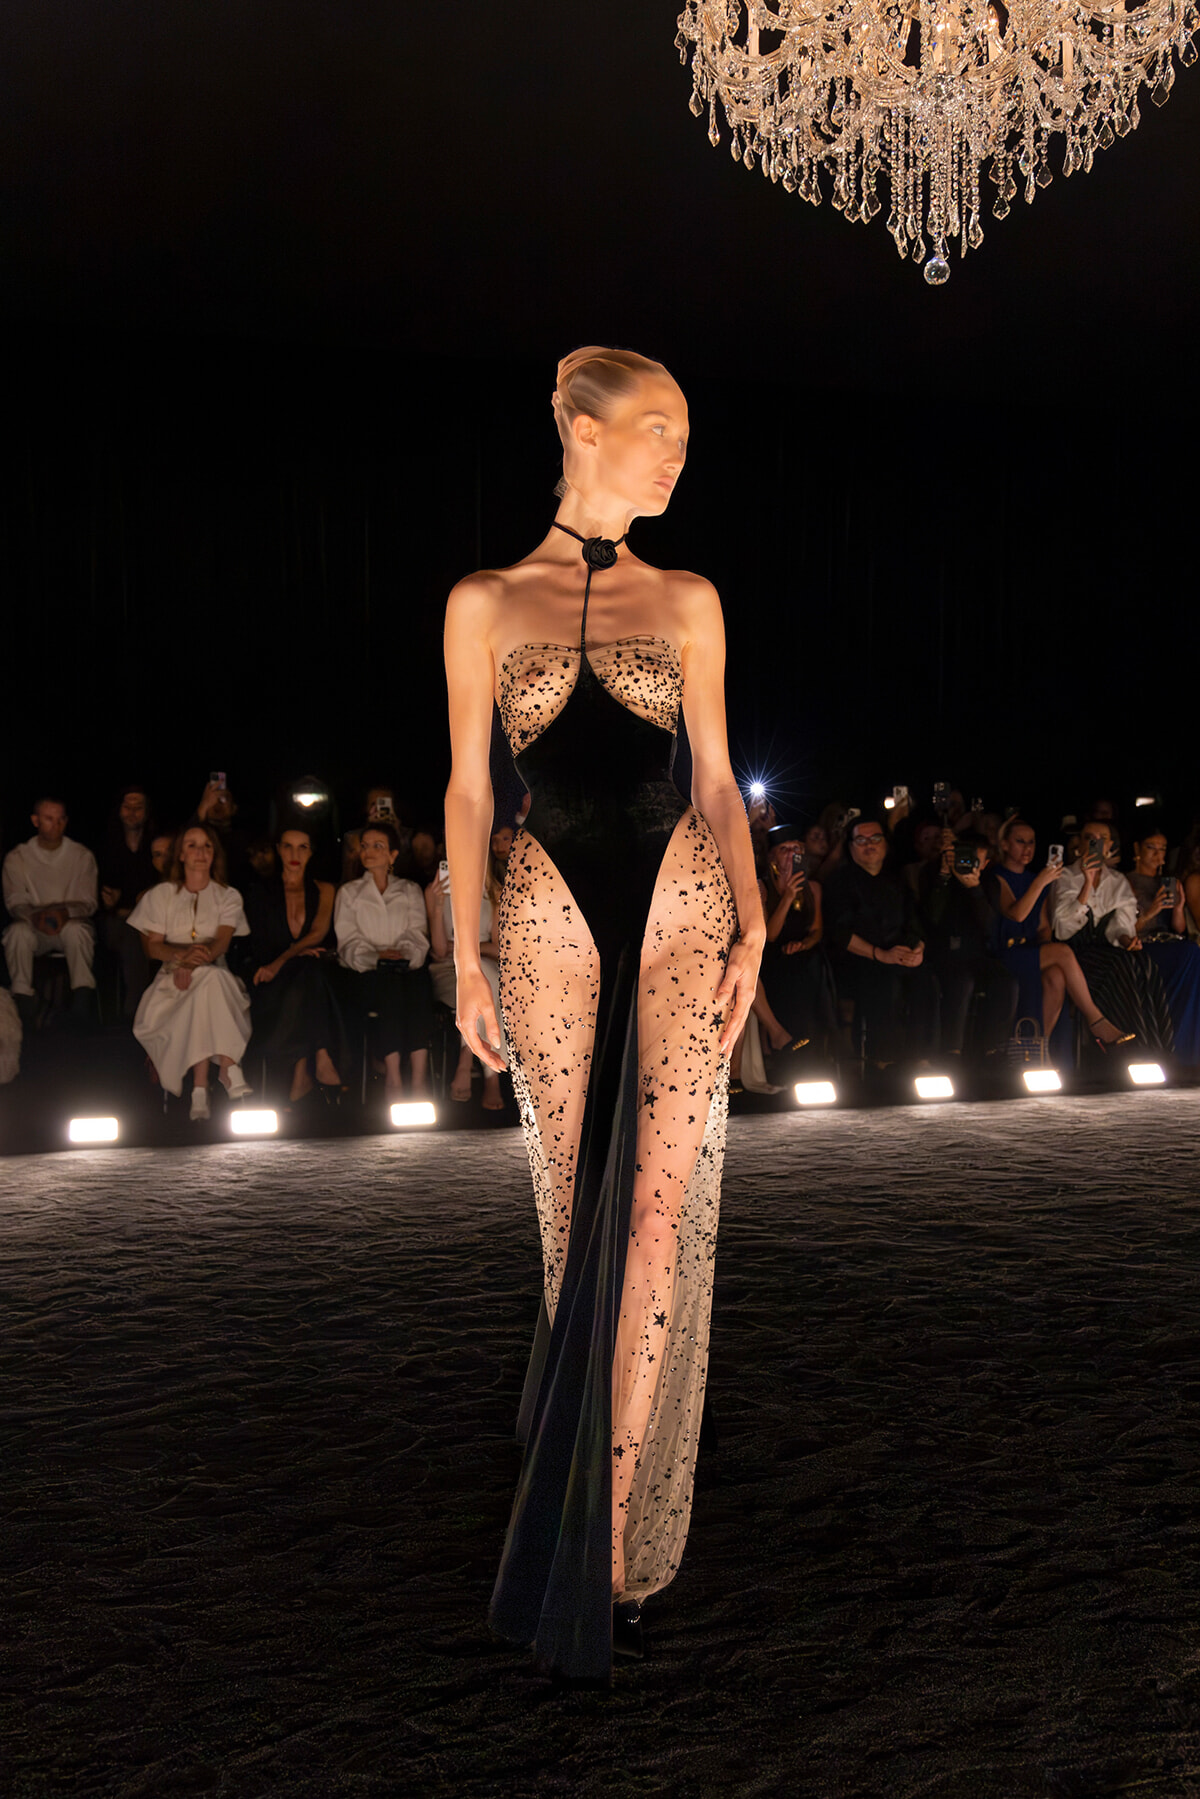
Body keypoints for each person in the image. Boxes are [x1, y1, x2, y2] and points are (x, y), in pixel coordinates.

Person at [443, 345, 760, 1680]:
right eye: (657, 428)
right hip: (543, 922)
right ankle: (584, 1494)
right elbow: (466, 788)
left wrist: (751, 915)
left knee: (654, 1229)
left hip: (684, 911)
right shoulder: (482, 600)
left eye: (685, 435)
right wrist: (462, 954)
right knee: (578, 1231)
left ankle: (613, 1546)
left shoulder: (688, 596)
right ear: (578, 424)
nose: (677, 454)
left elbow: (723, 780)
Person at [126, 823, 253, 1118]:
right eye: (193, 845)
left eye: (207, 846)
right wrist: (180, 960)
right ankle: (228, 1066)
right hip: (172, 982)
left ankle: (200, 1086)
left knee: (211, 980)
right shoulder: (161, 895)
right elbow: (152, 947)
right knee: (210, 982)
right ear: (181, 854)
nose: (201, 852)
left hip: (215, 974)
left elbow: (222, 940)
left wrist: (192, 963)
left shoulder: (228, 896)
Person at [986, 817, 1127, 1046]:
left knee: (1057, 975)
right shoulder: (998, 878)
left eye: (1031, 842)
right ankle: (1096, 1019)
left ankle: (1038, 1046)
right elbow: (1017, 914)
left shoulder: (1036, 878)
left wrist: (1044, 949)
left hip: (1030, 951)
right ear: (1004, 845)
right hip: (1003, 952)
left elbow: (1043, 927)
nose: (1027, 848)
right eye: (1020, 841)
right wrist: (1041, 883)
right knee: (1062, 952)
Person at [1047, 818, 1173, 1053]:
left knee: (1143, 963)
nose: (1095, 843)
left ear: (1109, 846)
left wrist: (1128, 940)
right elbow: (1063, 927)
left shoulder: (1118, 882)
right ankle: (1127, 1046)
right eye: (1089, 838)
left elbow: (1121, 926)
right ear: (1079, 844)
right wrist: (1087, 881)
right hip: (1076, 953)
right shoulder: (1064, 876)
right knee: (1119, 965)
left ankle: (1154, 1044)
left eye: (1101, 839)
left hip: (1108, 950)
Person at [243, 827, 349, 1105]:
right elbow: (259, 945)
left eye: (303, 847)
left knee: (310, 970)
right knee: (308, 972)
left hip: (300, 975)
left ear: (311, 852)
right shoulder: (259, 892)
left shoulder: (324, 890)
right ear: (278, 849)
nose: (294, 854)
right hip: (272, 981)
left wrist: (284, 960)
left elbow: (316, 933)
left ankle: (304, 1068)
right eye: (288, 846)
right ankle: (320, 1057)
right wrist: (282, 963)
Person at [823, 813, 939, 1066]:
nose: (869, 844)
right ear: (851, 846)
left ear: (885, 843)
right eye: (861, 840)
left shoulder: (896, 879)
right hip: (858, 960)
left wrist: (917, 949)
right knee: (885, 985)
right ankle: (884, 1062)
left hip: (897, 955)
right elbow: (840, 933)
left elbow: (914, 921)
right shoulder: (839, 882)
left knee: (925, 980)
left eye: (875, 838)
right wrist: (879, 954)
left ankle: (920, 1058)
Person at [334, 820, 433, 1101]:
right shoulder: (349, 893)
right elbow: (348, 941)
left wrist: (401, 953)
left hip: (405, 969)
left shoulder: (409, 890)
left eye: (378, 846)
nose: (369, 852)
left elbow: (416, 932)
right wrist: (377, 956)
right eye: (365, 846)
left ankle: (418, 1077)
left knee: (417, 983)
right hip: (365, 975)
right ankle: (393, 1076)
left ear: (392, 855)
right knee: (389, 984)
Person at [917, 829, 1017, 1056]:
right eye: (964, 858)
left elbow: (990, 927)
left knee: (1006, 983)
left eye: (975, 861)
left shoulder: (990, 883)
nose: (967, 864)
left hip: (976, 954)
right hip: (942, 953)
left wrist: (975, 889)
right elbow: (931, 918)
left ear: (985, 863)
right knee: (960, 982)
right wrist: (944, 873)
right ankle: (951, 1052)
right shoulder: (933, 874)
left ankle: (992, 1050)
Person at [2, 797, 99, 1022]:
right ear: (35, 821)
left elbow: (87, 902)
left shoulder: (81, 856)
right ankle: (24, 999)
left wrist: (63, 913)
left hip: (69, 925)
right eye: (48, 819)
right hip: (35, 925)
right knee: (17, 933)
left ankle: (82, 1000)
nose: (55, 825)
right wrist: (36, 917)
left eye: (60, 819)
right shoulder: (18, 857)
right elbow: (15, 900)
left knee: (78, 933)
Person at [425, 848, 506, 1110]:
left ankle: (466, 1055)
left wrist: (466, 949)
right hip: (448, 970)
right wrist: (436, 908)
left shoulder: (493, 894)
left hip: (485, 966)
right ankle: (490, 1072)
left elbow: (498, 948)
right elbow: (438, 950)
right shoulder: (437, 892)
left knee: (482, 973)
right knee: (479, 977)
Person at [756, 822, 836, 1070]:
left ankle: (814, 1046)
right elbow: (769, 936)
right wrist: (788, 896)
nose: (791, 854)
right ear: (772, 856)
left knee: (813, 965)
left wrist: (803, 944)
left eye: (796, 848)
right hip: (771, 956)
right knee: (790, 973)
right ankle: (783, 1045)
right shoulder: (762, 887)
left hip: (802, 954)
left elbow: (816, 930)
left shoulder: (813, 888)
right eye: (784, 849)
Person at [1125, 828, 1200, 1063]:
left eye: (1162, 849)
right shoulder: (1126, 882)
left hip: (1170, 944)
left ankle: (1185, 1047)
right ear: (1137, 849)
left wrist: (1178, 908)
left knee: (1189, 952)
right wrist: (1151, 912)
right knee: (1189, 953)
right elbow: (1123, 930)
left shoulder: (1167, 882)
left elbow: (1177, 928)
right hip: (1140, 945)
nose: (1158, 854)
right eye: (1151, 848)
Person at [98, 785, 157, 1017]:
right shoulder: (106, 845)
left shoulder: (155, 846)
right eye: (127, 806)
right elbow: (101, 895)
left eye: (138, 807)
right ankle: (136, 1011)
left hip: (152, 923)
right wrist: (110, 902)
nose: (132, 812)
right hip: (115, 923)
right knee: (134, 932)